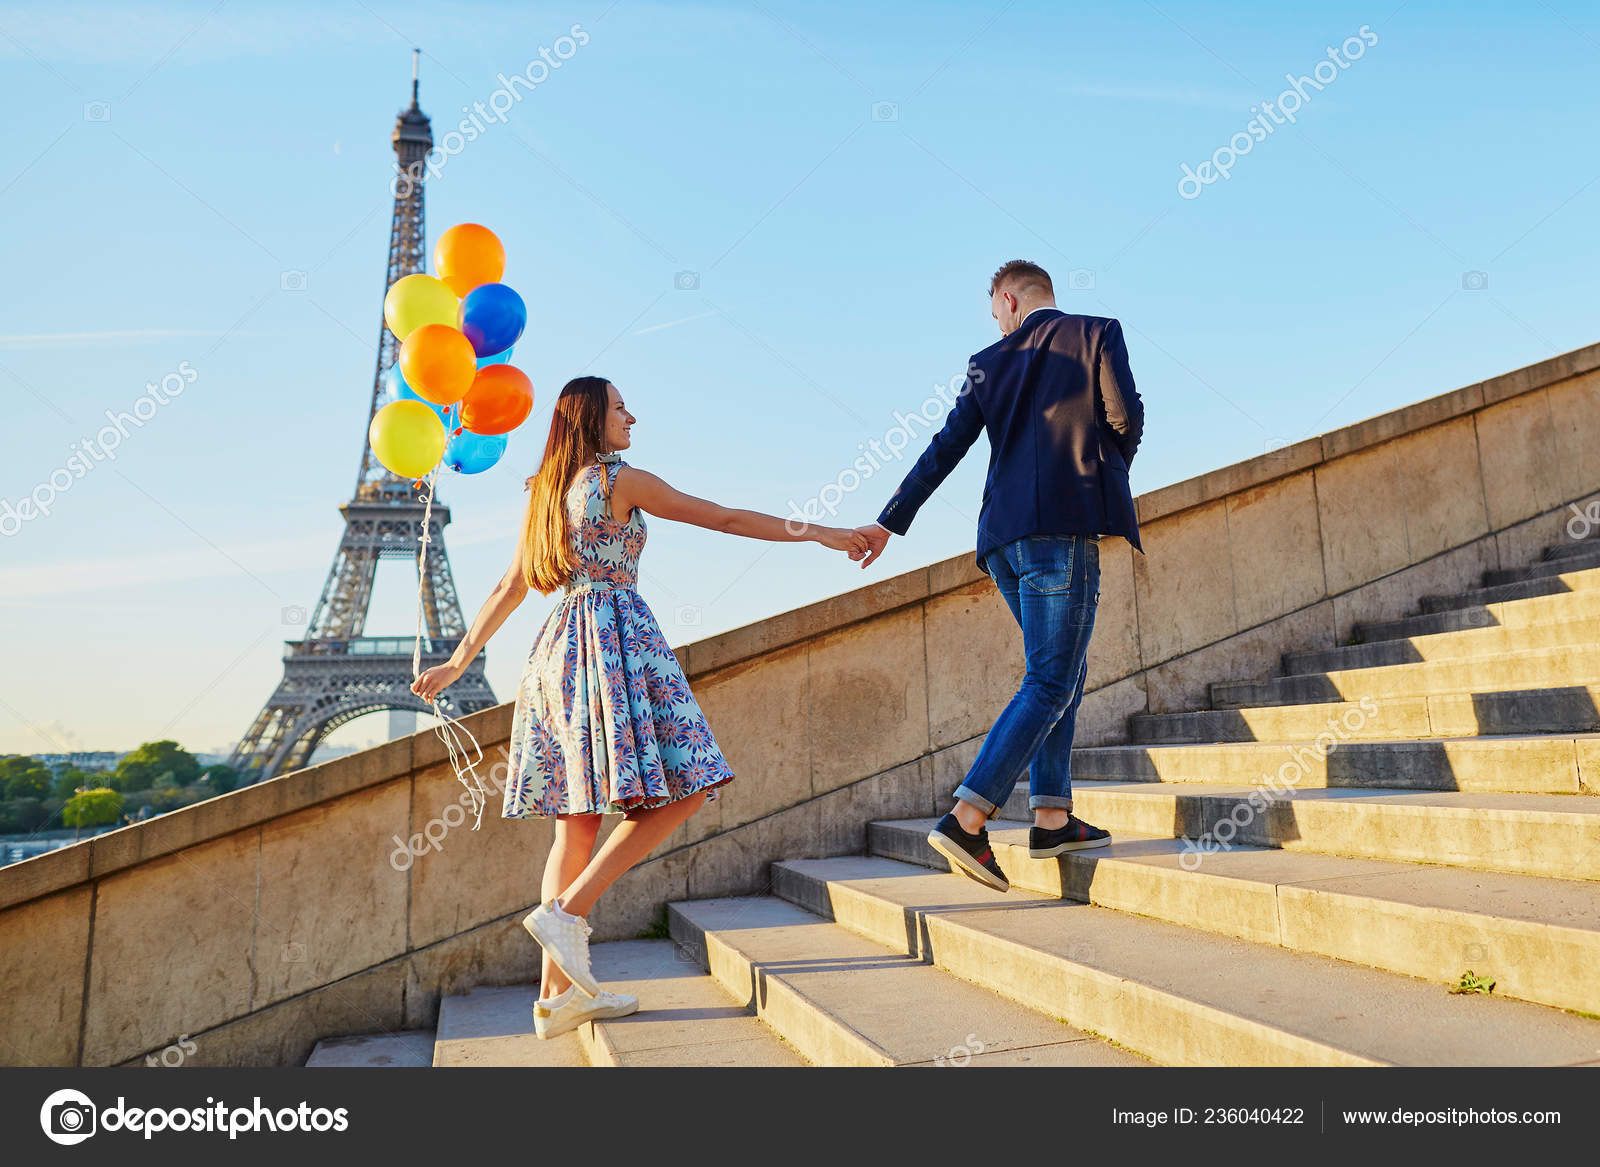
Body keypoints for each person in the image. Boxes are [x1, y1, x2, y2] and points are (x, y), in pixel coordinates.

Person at [414, 376, 868, 1037]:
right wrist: (822, 532)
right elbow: (725, 517)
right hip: (616, 640)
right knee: (687, 789)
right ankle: (568, 911)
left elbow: (511, 584)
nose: (633, 416)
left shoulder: (545, 487)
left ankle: (557, 997)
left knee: (575, 825)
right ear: (592, 417)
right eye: (622, 407)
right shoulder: (615, 478)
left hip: (557, 654)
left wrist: (459, 658)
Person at [853, 260, 1144, 892]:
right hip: (1060, 532)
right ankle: (967, 817)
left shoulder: (987, 362)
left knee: (1062, 669)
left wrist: (889, 521)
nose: (999, 323)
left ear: (1009, 299)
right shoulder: (1097, 332)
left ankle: (1051, 815)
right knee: (1050, 676)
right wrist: (1099, 474)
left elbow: (945, 446)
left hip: (1001, 542)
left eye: (996, 313)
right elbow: (1125, 420)